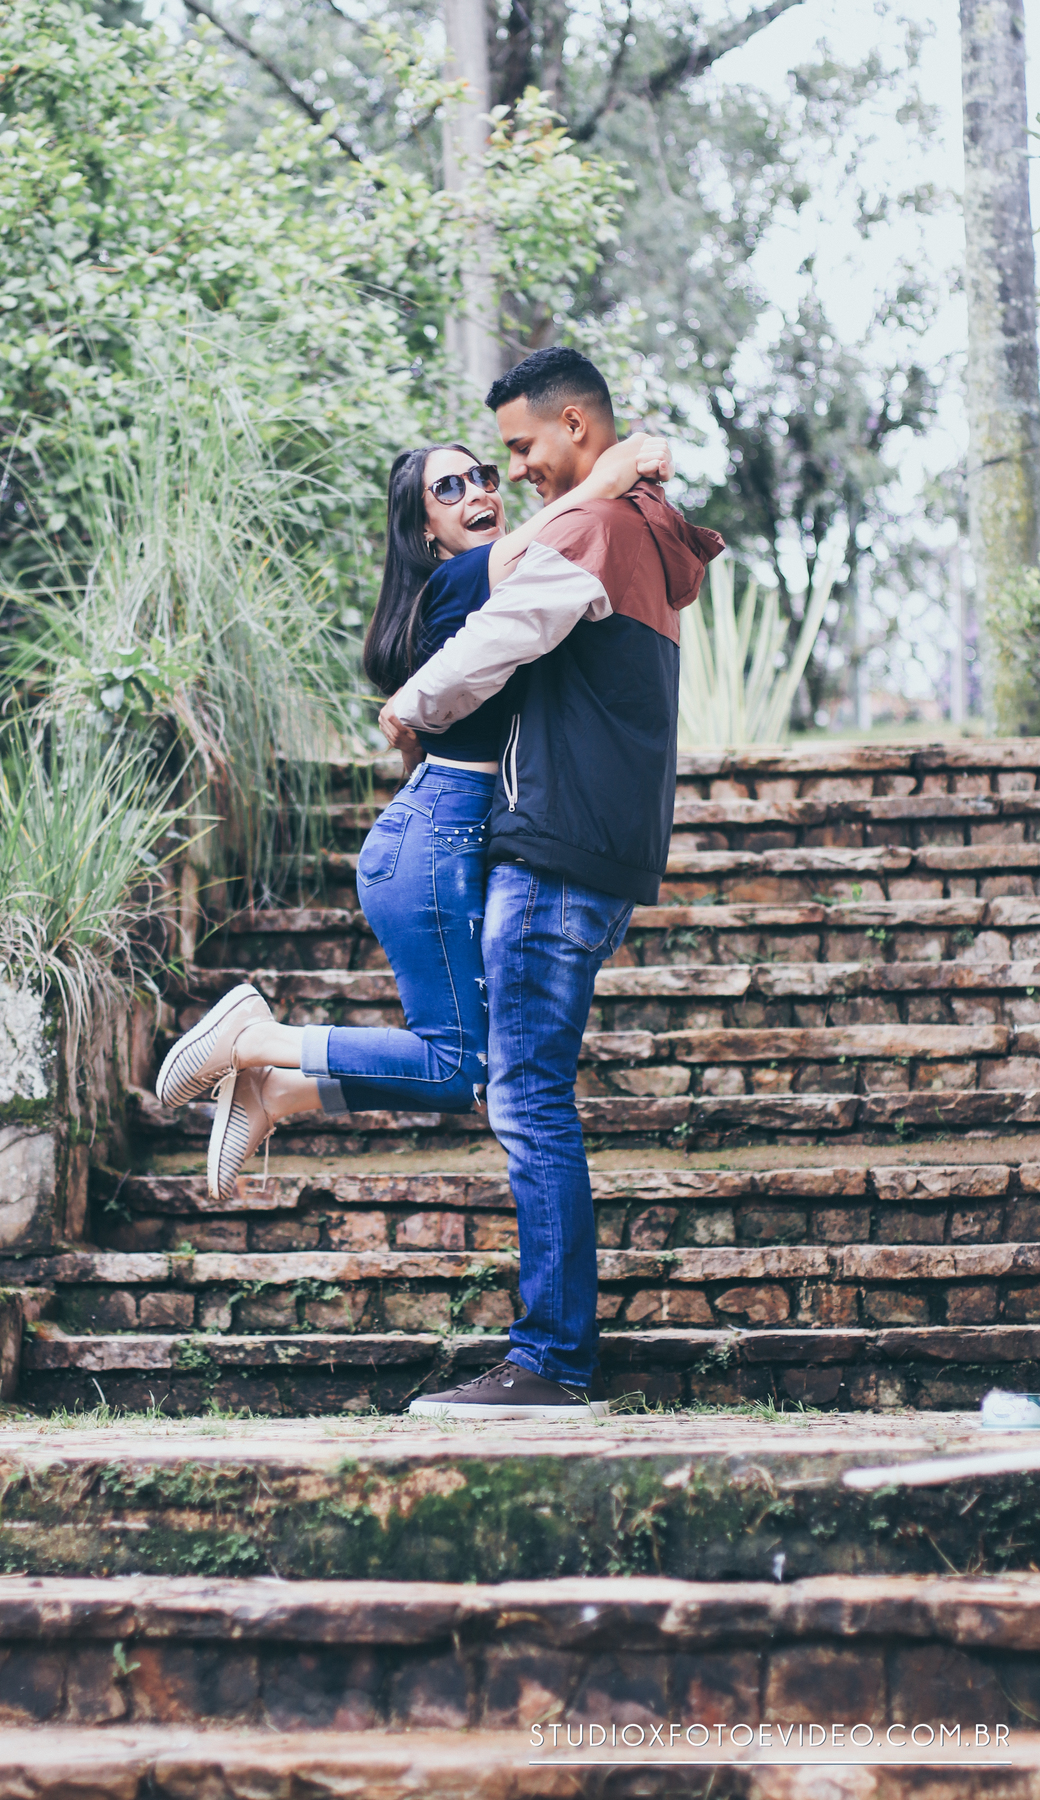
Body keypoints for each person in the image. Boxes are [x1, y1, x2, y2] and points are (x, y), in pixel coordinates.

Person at [154, 426, 674, 1208]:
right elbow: (549, 536)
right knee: (459, 1063)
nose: (480, 494)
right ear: (424, 532)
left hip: (445, 837)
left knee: (477, 1075)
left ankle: (279, 1092)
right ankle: (254, 1038)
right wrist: (612, 470)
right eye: (449, 489)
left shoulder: (490, 588)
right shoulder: (460, 580)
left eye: (485, 477)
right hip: (436, 841)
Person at [376, 345, 725, 1420]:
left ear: (576, 426)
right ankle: (551, 1356)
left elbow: (500, 635)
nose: (516, 470)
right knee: (530, 1095)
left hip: (556, 847)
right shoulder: (646, 530)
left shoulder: (595, 526)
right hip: (605, 848)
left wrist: (409, 707)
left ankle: (550, 1362)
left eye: (521, 447)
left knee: (527, 1101)